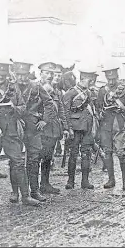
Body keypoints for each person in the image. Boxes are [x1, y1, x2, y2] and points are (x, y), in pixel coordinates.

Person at [0, 59, 39, 207]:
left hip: (10, 129)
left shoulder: (13, 87)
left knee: (19, 162)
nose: (1, 77)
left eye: (4, 75)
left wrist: (14, 108)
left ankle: (25, 196)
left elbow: (23, 107)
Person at [11, 60, 57, 202]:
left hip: (33, 127)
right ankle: (15, 192)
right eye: (19, 75)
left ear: (28, 74)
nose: (22, 78)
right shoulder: (10, 87)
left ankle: (35, 191)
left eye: (24, 75)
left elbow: (49, 103)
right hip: (16, 126)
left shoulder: (36, 86)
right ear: (15, 74)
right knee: (15, 160)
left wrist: (45, 120)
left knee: (34, 159)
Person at [96, 64, 125, 191]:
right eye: (109, 78)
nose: (111, 81)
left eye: (113, 78)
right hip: (106, 125)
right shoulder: (102, 90)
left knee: (121, 153)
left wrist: (122, 108)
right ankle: (111, 179)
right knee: (107, 153)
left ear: (117, 76)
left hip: (120, 124)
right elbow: (98, 106)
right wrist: (100, 113)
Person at [63, 69, 98, 190]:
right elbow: (66, 111)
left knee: (86, 154)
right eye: (90, 80)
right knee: (73, 154)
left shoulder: (90, 93)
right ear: (82, 79)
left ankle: (85, 181)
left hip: (87, 128)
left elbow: (93, 110)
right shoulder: (71, 93)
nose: (91, 82)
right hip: (75, 128)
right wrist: (68, 128)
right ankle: (70, 181)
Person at [38, 62, 69, 194]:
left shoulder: (55, 90)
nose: (50, 76)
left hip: (52, 128)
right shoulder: (35, 87)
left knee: (47, 157)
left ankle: (45, 183)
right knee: (35, 158)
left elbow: (61, 109)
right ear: (40, 74)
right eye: (47, 73)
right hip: (39, 128)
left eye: (51, 73)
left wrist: (66, 127)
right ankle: (32, 187)